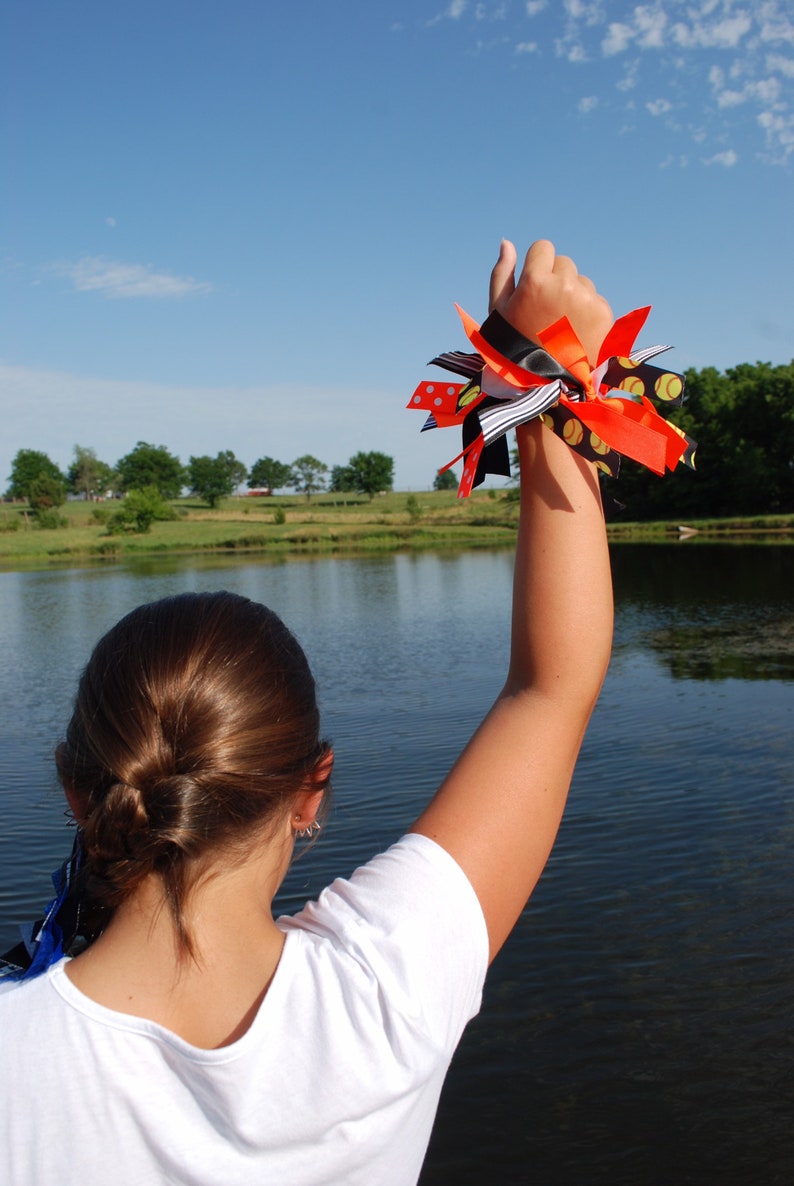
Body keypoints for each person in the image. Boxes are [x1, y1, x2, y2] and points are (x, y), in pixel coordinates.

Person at [0, 239, 615, 1185]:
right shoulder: (386, 992)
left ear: (77, 791)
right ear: (309, 788)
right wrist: (548, 374)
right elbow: (553, 687)